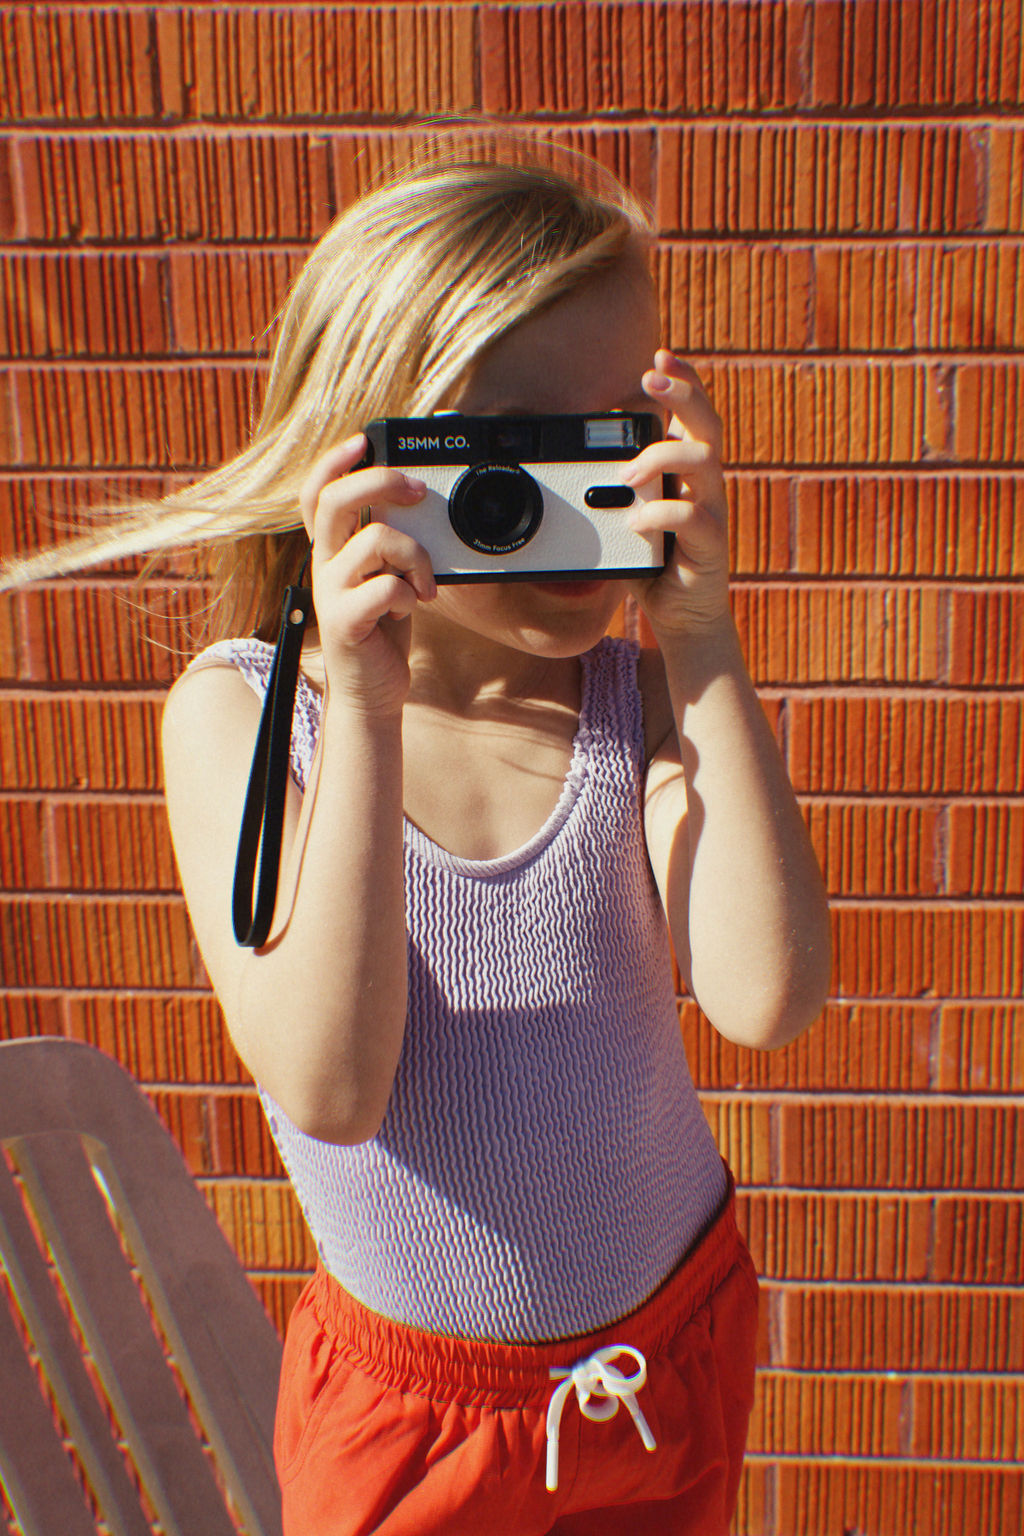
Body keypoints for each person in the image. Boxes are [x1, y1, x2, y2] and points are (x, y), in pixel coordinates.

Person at [5, 149, 831, 1534]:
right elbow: (330, 1084)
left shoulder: (638, 705)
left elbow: (767, 994)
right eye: (518, 450)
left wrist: (702, 642)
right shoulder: (246, 718)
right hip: (414, 1429)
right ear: (371, 455)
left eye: (619, 435)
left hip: (666, 1362)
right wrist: (370, 697)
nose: (577, 506)